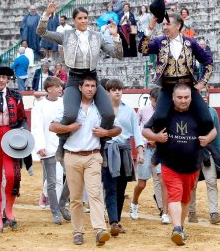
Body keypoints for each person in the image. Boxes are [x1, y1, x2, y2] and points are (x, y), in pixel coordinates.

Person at [37, 0, 123, 163]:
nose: (84, 21)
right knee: (69, 114)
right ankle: (62, 144)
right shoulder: (66, 35)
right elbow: (42, 32)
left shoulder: (97, 36)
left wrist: (115, 36)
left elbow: (117, 55)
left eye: (85, 18)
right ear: (74, 21)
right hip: (74, 78)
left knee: (109, 114)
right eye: (80, 18)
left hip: (92, 78)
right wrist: (47, 14)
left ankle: (102, 147)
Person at [49, 76, 121, 246]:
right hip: (72, 156)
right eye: (87, 86)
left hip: (93, 155)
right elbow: (52, 126)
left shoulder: (101, 108)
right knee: (75, 198)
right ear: (80, 88)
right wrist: (69, 128)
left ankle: (99, 230)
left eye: (93, 86)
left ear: (97, 89)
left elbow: (117, 128)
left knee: (95, 193)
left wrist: (106, 133)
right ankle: (77, 231)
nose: (90, 89)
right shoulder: (69, 107)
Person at [142, 83, 217, 246]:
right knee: (175, 194)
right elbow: (145, 130)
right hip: (170, 163)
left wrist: (208, 139)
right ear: (173, 98)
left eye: (186, 97)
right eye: (179, 97)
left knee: (185, 198)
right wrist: (156, 137)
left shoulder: (198, 113)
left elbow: (213, 131)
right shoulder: (164, 114)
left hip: (192, 164)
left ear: (191, 97)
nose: (183, 101)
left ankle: (180, 228)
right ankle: (176, 228)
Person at [138, 11, 214, 137]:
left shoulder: (191, 43)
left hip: (188, 88)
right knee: (159, 119)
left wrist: (202, 83)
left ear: (178, 26)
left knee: (206, 120)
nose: (164, 27)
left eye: (168, 24)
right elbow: (143, 49)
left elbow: (208, 61)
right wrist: (150, 27)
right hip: (168, 88)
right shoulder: (159, 41)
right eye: (163, 25)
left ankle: (198, 144)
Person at [0, 65, 27, 234]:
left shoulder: (16, 96)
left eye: (4, 77)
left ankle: (8, 211)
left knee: (13, 176)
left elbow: (22, 119)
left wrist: (24, 135)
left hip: (11, 139)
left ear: (8, 79)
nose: (1, 80)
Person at [101, 79, 144, 236]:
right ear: (108, 92)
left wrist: (140, 152)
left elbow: (137, 133)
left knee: (121, 188)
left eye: (119, 89)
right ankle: (113, 221)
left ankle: (116, 220)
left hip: (124, 150)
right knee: (110, 187)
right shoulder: (101, 109)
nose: (117, 92)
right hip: (107, 150)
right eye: (113, 89)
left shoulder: (129, 110)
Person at [31, 76, 71, 224]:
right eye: (57, 86)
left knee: (71, 178)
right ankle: (55, 211)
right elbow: (36, 126)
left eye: (61, 86)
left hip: (66, 146)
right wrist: (40, 146)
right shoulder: (39, 105)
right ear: (49, 89)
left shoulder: (65, 102)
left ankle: (61, 203)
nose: (61, 88)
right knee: (53, 181)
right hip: (48, 146)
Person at [131, 87, 170, 224]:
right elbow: (136, 129)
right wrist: (143, 144)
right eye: (156, 101)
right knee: (142, 183)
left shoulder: (165, 111)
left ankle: (165, 213)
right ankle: (134, 203)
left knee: (163, 180)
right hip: (146, 149)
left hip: (160, 149)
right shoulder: (142, 110)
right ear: (151, 99)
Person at [188, 86, 220, 225]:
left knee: (211, 181)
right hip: (192, 152)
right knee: (192, 183)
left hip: (207, 151)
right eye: (199, 93)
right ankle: (192, 212)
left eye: (205, 92)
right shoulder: (188, 112)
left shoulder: (212, 112)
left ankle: (214, 213)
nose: (203, 95)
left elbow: (217, 135)